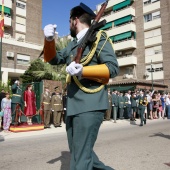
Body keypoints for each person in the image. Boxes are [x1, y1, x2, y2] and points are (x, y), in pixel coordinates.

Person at [43, 2, 119, 170]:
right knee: (82, 154)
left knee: (80, 161)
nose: (69, 24)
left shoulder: (99, 38)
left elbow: (113, 68)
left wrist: (83, 71)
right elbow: (53, 59)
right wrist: (49, 41)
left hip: (90, 105)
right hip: (73, 106)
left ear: (75, 20)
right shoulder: (73, 44)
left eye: (69, 21)